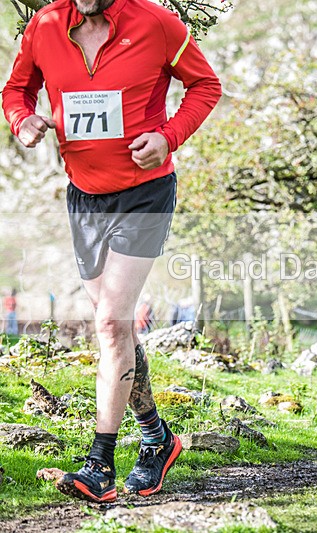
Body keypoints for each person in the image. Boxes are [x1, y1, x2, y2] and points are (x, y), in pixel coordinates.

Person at [2, 0, 221, 503]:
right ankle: (157, 438)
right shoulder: (45, 25)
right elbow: (17, 89)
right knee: (114, 327)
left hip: (144, 193)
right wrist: (21, 119)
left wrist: (168, 137)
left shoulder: (157, 23)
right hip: (84, 195)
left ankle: (99, 465)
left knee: (110, 323)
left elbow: (205, 86)